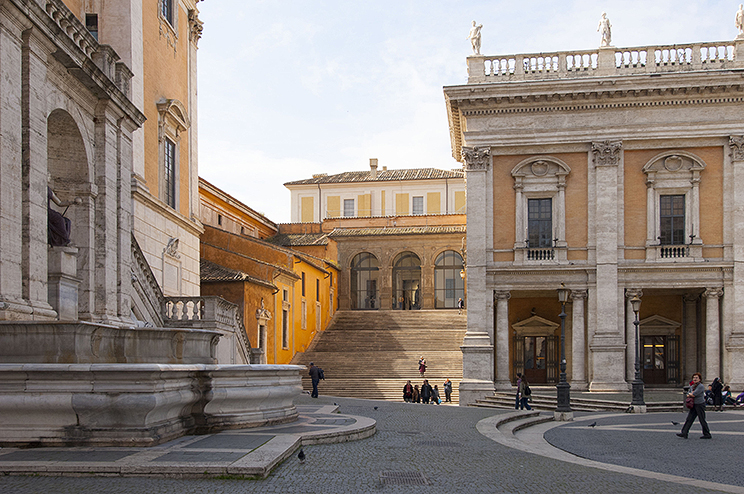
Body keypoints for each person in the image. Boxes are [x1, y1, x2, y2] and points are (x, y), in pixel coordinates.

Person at [677, 372, 712, 439]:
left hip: (700, 405)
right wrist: (690, 394)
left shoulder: (700, 386)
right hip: (694, 404)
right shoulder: (692, 386)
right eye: (694, 378)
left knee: (702, 419)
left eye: (696, 378)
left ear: (700, 379)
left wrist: (690, 394)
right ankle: (684, 432)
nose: (695, 379)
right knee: (689, 419)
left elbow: (693, 394)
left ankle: (707, 434)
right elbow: (688, 393)